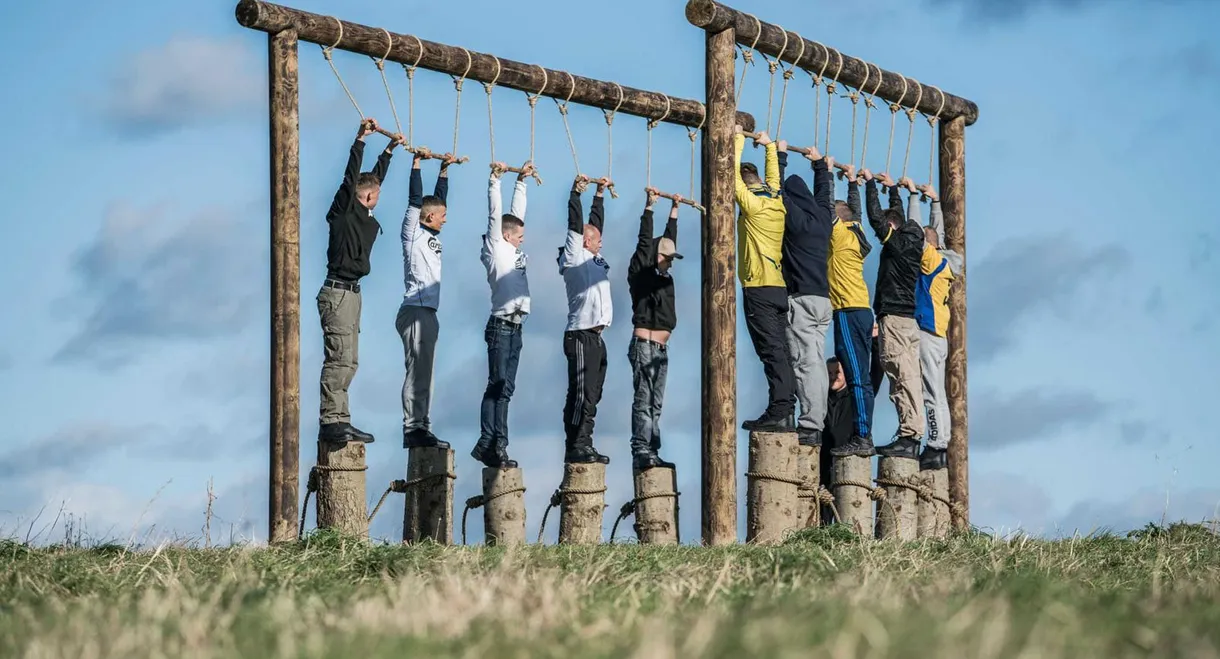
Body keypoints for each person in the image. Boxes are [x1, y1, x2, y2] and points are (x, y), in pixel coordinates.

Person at [318, 118, 400, 446]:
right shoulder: (343, 211)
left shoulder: (365, 209)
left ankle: (341, 418)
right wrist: (361, 141)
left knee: (350, 360)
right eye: (375, 193)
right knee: (338, 357)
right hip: (337, 291)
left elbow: (374, 177)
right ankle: (331, 420)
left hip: (353, 293)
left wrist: (390, 150)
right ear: (367, 196)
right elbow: (352, 178)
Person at [473, 161, 536, 469]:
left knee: (506, 390)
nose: (523, 238)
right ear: (508, 236)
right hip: (501, 325)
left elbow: (516, 215)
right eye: (519, 235)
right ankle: (491, 442)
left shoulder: (513, 248)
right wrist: (495, 180)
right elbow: (495, 216)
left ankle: (498, 443)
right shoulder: (497, 247)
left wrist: (521, 181)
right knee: (497, 385)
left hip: (516, 327)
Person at [860, 170, 926, 459]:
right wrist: (894, 191)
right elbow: (891, 216)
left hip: (896, 319)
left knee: (901, 376)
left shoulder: (897, 244)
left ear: (891, 228)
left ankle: (910, 435)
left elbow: (876, 219)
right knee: (907, 374)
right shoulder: (912, 241)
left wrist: (869, 185)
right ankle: (910, 433)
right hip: (908, 320)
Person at [733, 126, 795, 431]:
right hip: (777, 286)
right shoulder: (775, 200)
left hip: (758, 287)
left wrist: (737, 140)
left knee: (771, 351)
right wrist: (769, 147)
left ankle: (781, 409)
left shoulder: (753, 206)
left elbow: (729, 178)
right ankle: (785, 407)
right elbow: (774, 179)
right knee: (781, 349)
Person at [396, 148, 455, 450]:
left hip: (428, 311)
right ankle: (412, 427)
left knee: (426, 374)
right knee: (417, 371)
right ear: (430, 217)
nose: (446, 219)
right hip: (415, 309)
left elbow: (436, 201)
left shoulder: (432, 235)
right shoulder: (413, 233)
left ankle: (423, 425)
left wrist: (444, 170)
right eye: (442, 216)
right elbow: (416, 201)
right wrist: (417, 163)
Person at [776, 142, 834, 447]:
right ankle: (817, 417)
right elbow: (825, 196)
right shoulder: (823, 220)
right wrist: (821, 167)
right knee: (815, 360)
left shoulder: (795, 221)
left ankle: (811, 423)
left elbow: (778, 195)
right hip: (824, 301)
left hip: (801, 299)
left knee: (804, 362)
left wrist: (779, 157)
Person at [626, 188, 685, 471]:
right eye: (667, 257)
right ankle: (641, 448)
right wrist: (649, 208)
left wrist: (674, 210)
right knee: (644, 398)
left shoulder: (666, 278)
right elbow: (644, 244)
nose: (671, 261)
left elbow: (669, 239)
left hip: (662, 348)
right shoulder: (642, 274)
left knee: (656, 403)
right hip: (645, 344)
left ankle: (652, 447)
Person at [558, 176, 613, 464]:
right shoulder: (574, 256)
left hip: (597, 336)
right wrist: (576, 193)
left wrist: (600, 194)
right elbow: (575, 223)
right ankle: (575, 443)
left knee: (593, 394)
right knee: (580, 393)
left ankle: (586, 441)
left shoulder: (595, 258)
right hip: (579, 334)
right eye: (596, 239)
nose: (601, 241)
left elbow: (595, 223)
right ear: (585, 240)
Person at [825, 162, 878, 458]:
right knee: (861, 375)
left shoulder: (840, 235)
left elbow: (827, 207)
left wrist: (826, 170)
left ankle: (862, 435)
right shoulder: (856, 231)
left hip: (846, 308)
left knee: (857, 375)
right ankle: (863, 433)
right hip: (861, 308)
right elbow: (853, 212)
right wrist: (853, 182)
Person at [910, 183, 961, 471]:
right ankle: (940, 441)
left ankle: (935, 443)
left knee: (931, 392)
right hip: (937, 334)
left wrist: (913, 197)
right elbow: (933, 234)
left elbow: (915, 232)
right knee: (938, 392)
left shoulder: (929, 262)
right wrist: (935, 203)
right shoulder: (944, 261)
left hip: (927, 333)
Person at [820, 356, 856, 524]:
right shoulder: (820, 399)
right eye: (829, 373)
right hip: (823, 461)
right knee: (823, 511)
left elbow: (875, 375)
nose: (834, 376)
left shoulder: (856, 398)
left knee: (847, 513)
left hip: (847, 462)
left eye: (837, 372)